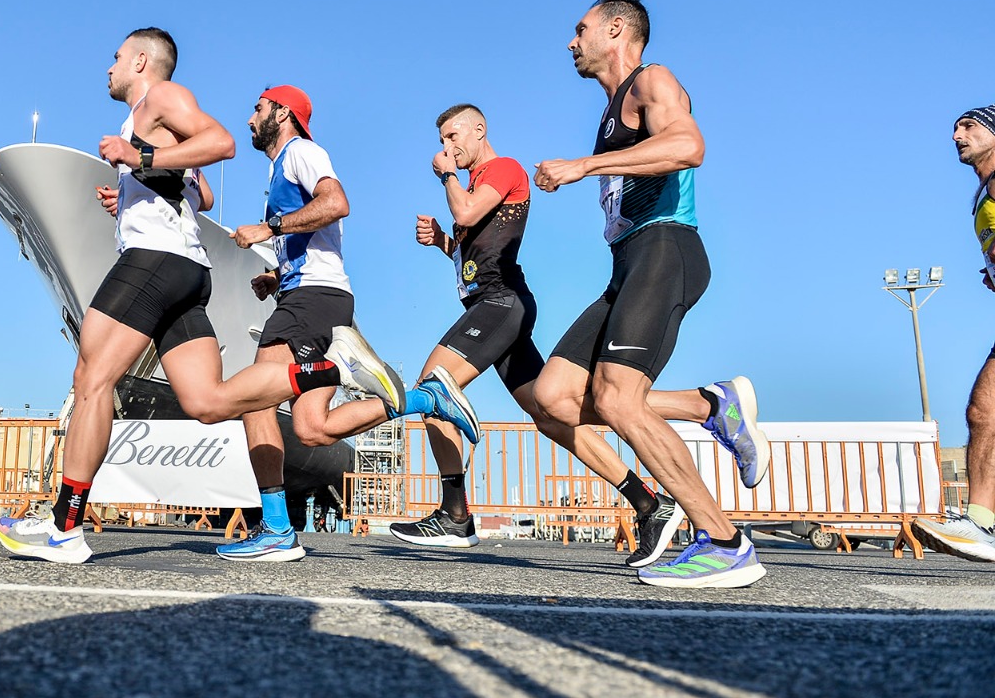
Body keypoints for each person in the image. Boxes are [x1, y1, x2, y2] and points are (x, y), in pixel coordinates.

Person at [0, 29, 424, 565]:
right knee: (208, 403)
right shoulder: (153, 121)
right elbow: (201, 190)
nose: (109, 67)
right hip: (187, 268)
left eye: (117, 57)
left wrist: (136, 154)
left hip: (156, 261)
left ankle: (63, 527)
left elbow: (221, 144)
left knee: (92, 378)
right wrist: (129, 192)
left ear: (142, 61)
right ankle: (333, 371)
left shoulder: (160, 99)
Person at [295, 103, 763, 565]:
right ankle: (654, 493)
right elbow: (471, 254)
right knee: (553, 411)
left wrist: (446, 180)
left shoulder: (502, 169)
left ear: (479, 131)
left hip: (503, 306)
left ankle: (455, 515)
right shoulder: (478, 184)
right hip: (492, 305)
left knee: (436, 384)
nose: (447, 147)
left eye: (454, 136)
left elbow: (467, 213)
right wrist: (442, 241)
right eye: (441, 141)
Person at [531, 0, 769, 588]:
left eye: (580, 28)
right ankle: (709, 406)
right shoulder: (612, 109)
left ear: (616, 30)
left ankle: (724, 541)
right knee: (554, 398)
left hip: (666, 249)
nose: (570, 40)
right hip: (627, 263)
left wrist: (584, 167)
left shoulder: (651, 80)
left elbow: (689, 146)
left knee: (616, 399)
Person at [214, 86, 353, 562]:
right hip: (315, 294)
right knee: (314, 427)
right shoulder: (280, 167)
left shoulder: (302, 152)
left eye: (257, 108)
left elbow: (335, 203)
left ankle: (276, 528)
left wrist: (269, 229)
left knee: (255, 400)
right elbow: (318, 236)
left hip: (313, 298)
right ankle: (423, 397)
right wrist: (276, 274)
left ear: (283, 112)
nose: (250, 117)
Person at [914, 107, 995, 562]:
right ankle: (982, 522)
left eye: (969, 126)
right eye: (955, 127)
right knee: (983, 411)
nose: (956, 135)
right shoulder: (983, 189)